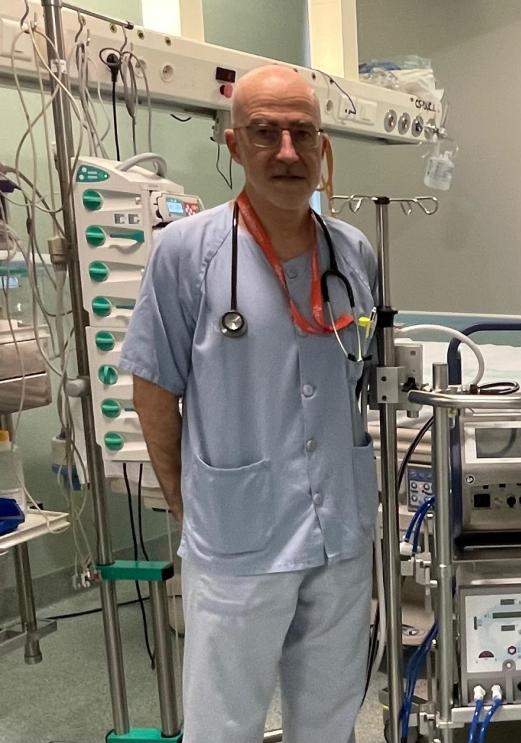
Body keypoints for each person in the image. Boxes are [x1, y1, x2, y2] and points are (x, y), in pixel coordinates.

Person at [120, 65, 379, 743]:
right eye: (266, 132)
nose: (287, 151)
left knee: (330, 720)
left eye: (303, 133)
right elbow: (154, 391)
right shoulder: (187, 253)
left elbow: (358, 377)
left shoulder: (353, 253)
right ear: (235, 145)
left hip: (340, 530)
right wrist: (188, 504)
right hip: (238, 536)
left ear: (323, 147)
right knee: (223, 724)